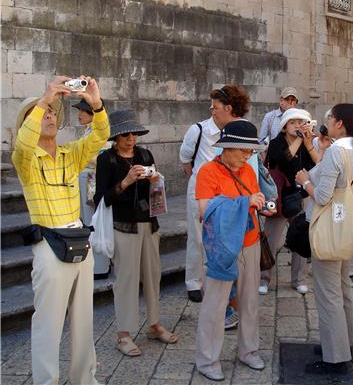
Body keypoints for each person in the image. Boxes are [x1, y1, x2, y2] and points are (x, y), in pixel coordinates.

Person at [12, 76, 108, 384]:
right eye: (43, 113)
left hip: (79, 241)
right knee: (48, 324)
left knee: (84, 321)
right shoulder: (25, 158)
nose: (50, 115)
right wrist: (42, 100)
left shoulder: (71, 153)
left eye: (53, 111)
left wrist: (97, 104)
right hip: (49, 245)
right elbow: (22, 144)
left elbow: (101, 136)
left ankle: (85, 379)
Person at [94, 109, 177, 357]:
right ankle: (124, 334)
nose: (131, 138)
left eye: (134, 134)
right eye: (125, 134)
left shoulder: (145, 154)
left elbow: (156, 190)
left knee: (153, 276)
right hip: (123, 226)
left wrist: (155, 181)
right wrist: (126, 182)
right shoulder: (106, 160)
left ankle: (154, 324)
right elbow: (101, 198)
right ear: (116, 137)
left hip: (149, 223)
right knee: (126, 280)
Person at [195, 120, 270, 381]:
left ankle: (248, 351)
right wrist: (245, 202)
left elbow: (254, 197)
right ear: (227, 148)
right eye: (243, 151)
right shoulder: (208, 172)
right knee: (215, 305)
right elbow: (205, 210)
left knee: (250, 302)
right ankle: (207, 360)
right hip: (223, 248)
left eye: (250, 152)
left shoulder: (248, 171)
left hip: (250, 243)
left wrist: (261, 205)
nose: (248, 156)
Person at [295, 103, 353, 375]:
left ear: (339, 123)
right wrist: (321, 150)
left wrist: (304, 181)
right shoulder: (352, 149)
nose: (326, 122)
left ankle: (335, 358)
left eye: (329, 118)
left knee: (328, 292)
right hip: (343, 223)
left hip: (328, 225)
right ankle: (344, 342)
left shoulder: (338, 150)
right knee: (342, 286)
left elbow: (323, 195)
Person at [259, 108, 318, 295]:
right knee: (270, 239)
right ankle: (264, 278)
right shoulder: (276, 142)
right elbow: (283, 159)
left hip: (299, 196)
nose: (297, 126)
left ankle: (298, 279)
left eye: (301, 122)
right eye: (293, 122)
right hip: (277, 197)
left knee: (300, 237)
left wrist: (312, 144)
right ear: (284, 126)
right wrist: (301, 138)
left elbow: (315, 167)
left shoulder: (307, 145)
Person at [180, 115, 222, 303]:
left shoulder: (233, 128)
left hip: (223, 188)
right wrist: (196, 180)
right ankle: (194, 282)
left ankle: (214, 277)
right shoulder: (198, 130)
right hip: (200, 186)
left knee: (220, 234)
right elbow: (185, 158)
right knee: (197, 236)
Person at [75, 98, 112, 279]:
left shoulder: (99, 133)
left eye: (83, 111)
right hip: (85, 178)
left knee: (94, 222)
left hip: (94, 180)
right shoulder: (88, 131)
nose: (79, 114)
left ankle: (100, 266)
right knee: (88, 222)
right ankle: (94, 263)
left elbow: (101, 158)